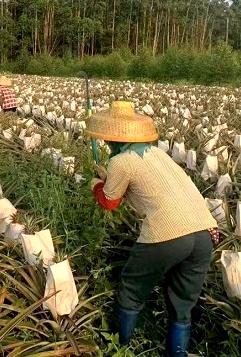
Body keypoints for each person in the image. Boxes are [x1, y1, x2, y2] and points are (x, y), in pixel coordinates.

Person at [85, 101, 218, 357]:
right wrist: (107, 179)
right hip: (203, 233)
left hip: (166, 233)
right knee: (182, 303)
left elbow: (109, 202)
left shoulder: (121, 161)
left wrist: (95, 184)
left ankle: (121, 348)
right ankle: (176, 354)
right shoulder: (158, 154)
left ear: (113, 138)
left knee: (131, 289)